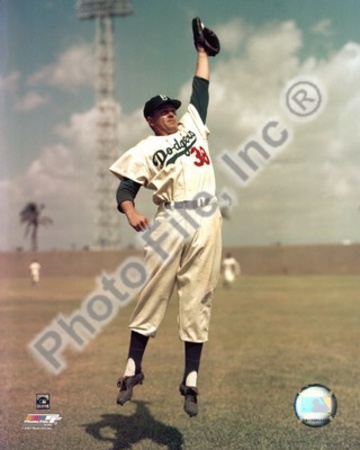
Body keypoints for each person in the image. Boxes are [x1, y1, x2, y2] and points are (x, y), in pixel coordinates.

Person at [109, 21, 222, 418]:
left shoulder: (193, 124)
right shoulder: (144, 149)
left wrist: (202, 53)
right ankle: (132, 367)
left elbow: (201, 89)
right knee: (154, 290)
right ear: (151, 120)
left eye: (172, 108)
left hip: (207, 215)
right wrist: (132, 211)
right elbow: (125, 190)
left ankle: (191, 380)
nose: (171, 113)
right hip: (171, 217)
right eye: (163, 111)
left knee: (199, 296)